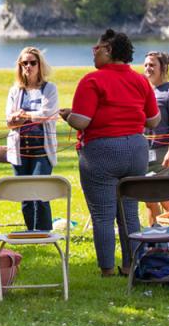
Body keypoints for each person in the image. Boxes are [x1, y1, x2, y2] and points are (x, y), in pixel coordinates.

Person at [59, 29, 160, 277]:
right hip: (136, 150)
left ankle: (106, 269)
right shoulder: (140, 81)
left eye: (98, 48)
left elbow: (81, 122)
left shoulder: (92, 80)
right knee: (129, 213)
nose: (94, 52)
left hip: (101, 152)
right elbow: (154, 120)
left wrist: (67, 116)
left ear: (110, 51)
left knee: (103, 215)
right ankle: (130, 266)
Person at [4, 46, 59, 231]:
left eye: (32, 63)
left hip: (42, 150)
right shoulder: (15, 91)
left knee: (40, 193)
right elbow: (9, 121)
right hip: (20, 151)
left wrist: (24, 115)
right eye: (24, 63)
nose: (28, 66)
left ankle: (43, 232)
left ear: (40, 65)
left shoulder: (49, 89)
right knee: (24, 194)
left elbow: (47, 114)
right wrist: (17, 118)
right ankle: (30, 232)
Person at [142, 51, 169, 225]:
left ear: (163, 68)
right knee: (148, 199)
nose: (148, 68)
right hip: (145, 151)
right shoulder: (145, 91)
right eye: (145, 65)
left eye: (152, 65)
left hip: (164, 152)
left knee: (163, 197)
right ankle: (154, 235)